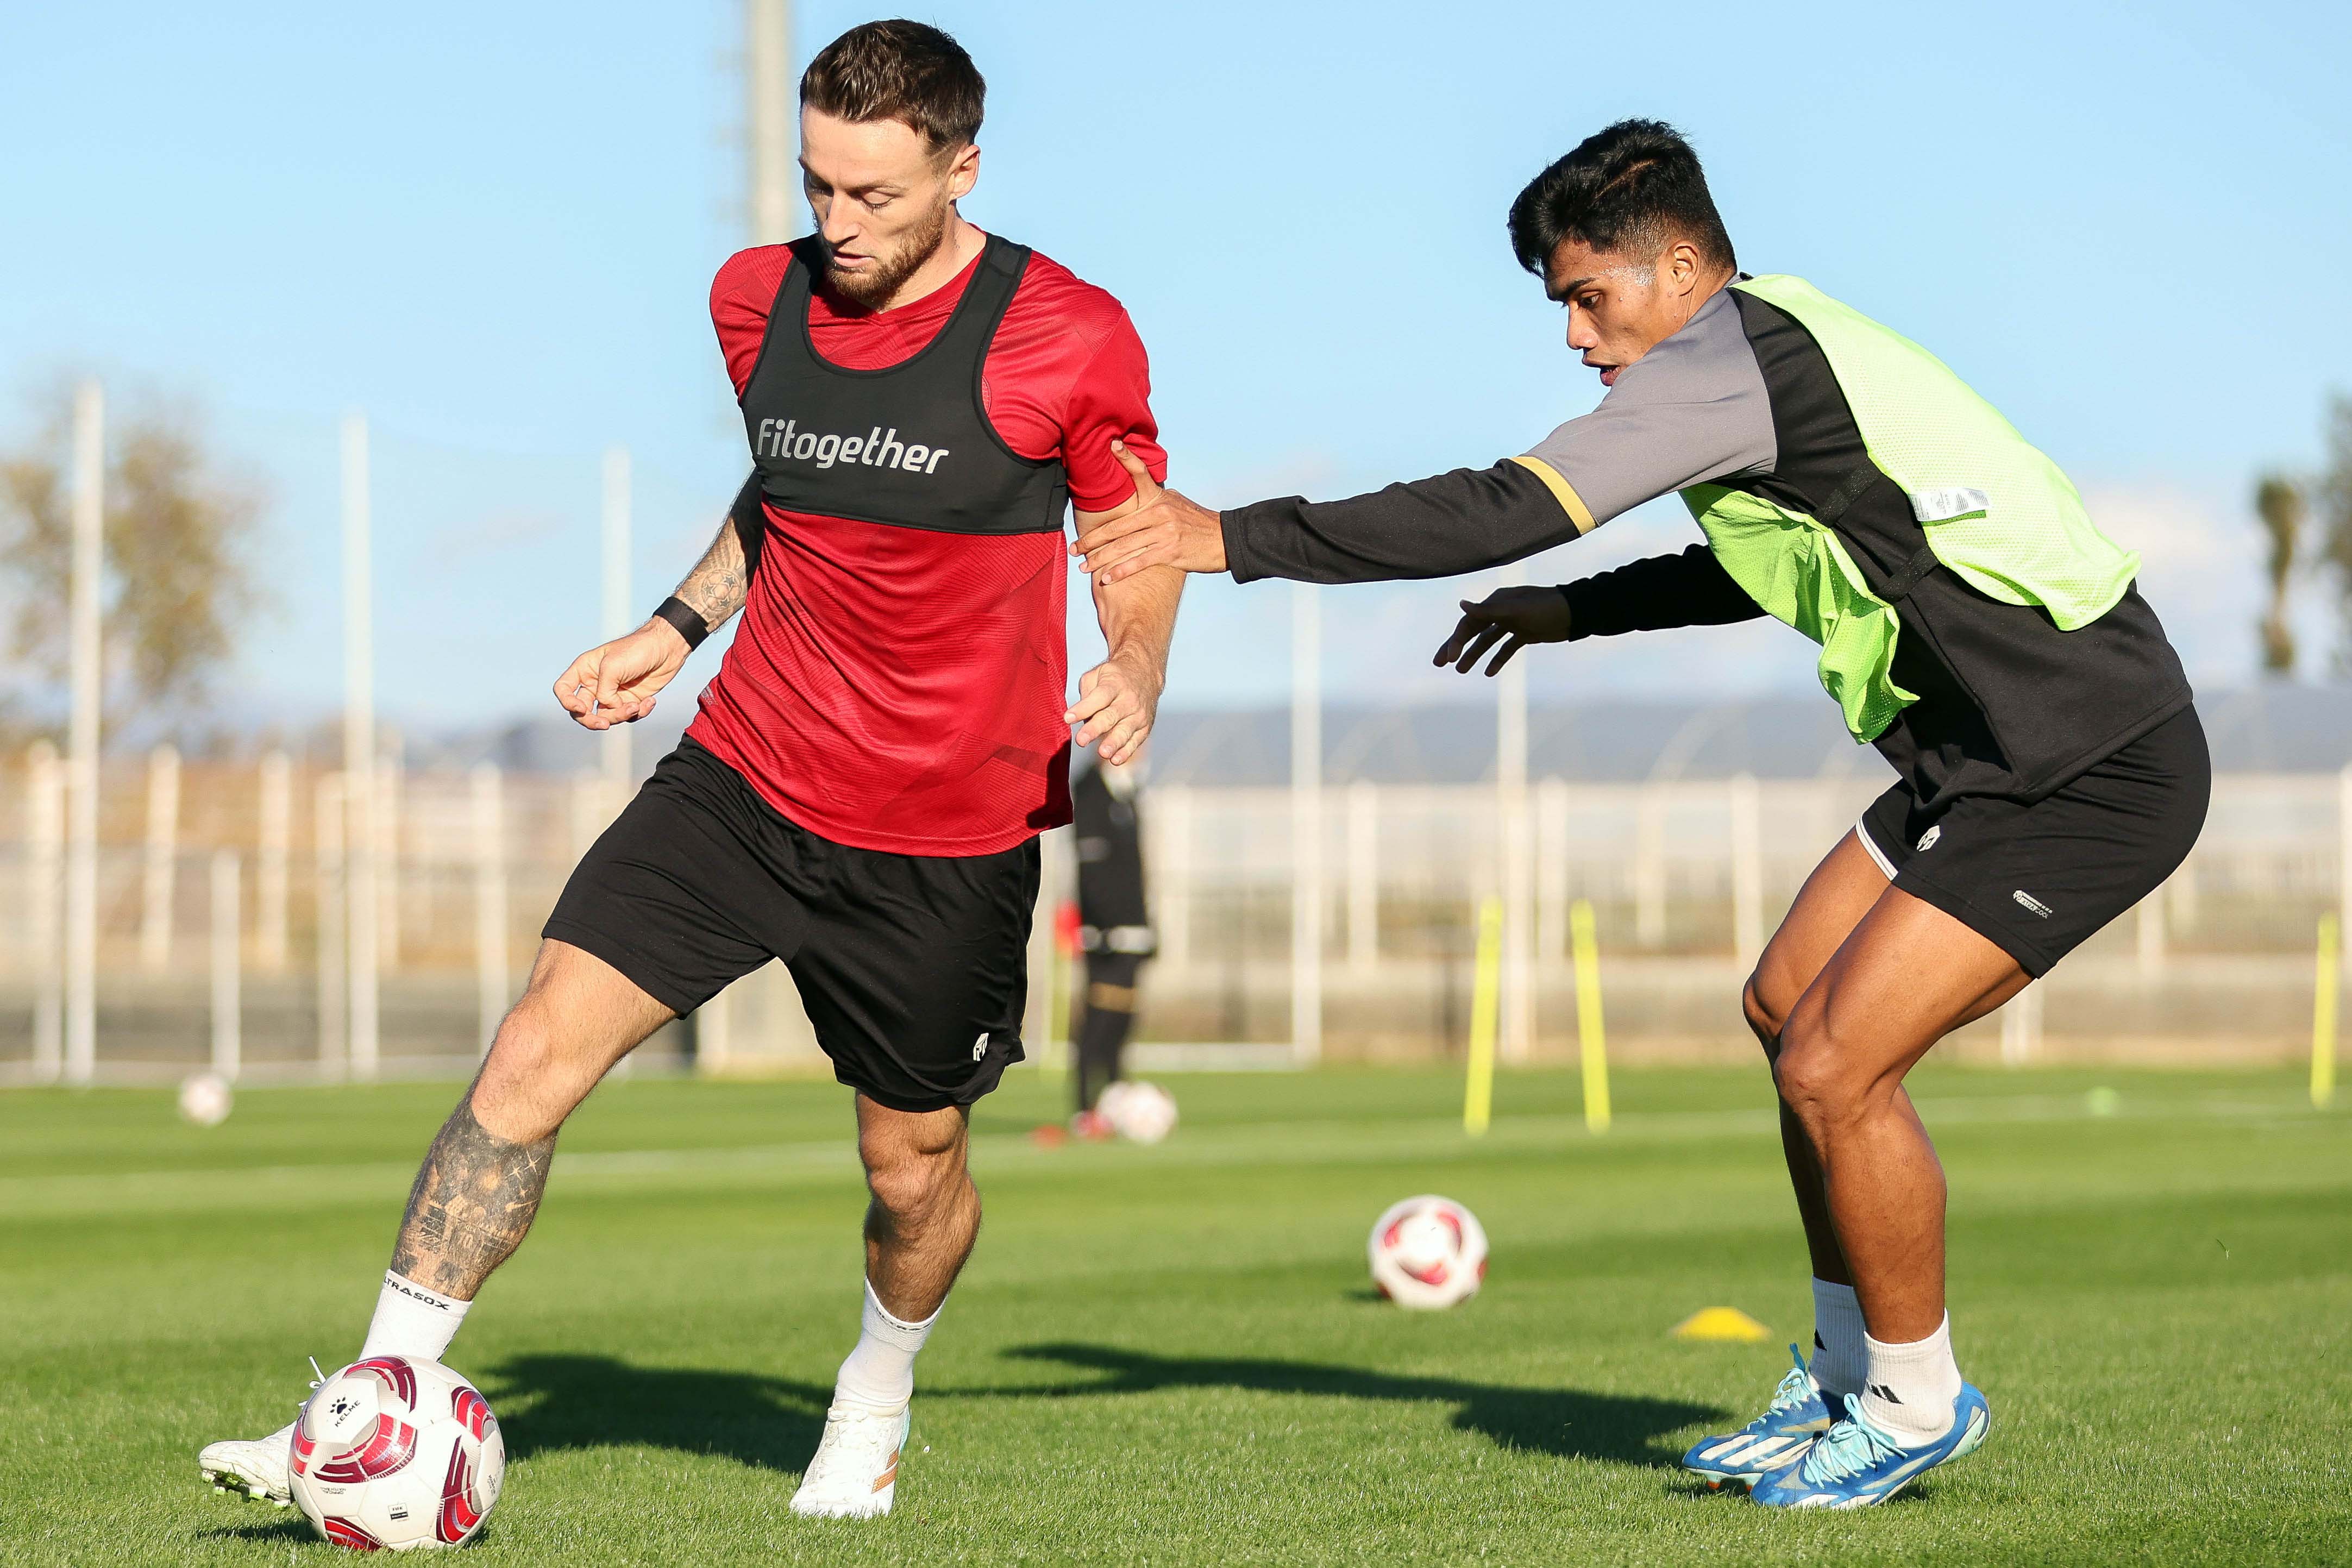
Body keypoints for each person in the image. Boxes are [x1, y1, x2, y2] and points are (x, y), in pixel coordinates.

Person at [1069, 120, 2206, 1508]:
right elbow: (1757, 561)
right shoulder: (1771, 353)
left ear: (1677, 269)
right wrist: (1574, 613)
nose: (1572, 332)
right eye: (1558, 304)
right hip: (1980, 760)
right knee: (1787, 1004)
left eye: (1584, 296)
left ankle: (1916, 1397)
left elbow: (1508, 504)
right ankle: (1846, 1374)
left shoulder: (1721, 363)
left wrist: (1227, 537)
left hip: (2089, 759)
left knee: (1836, 1066)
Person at [199, 20, 1183, 1523]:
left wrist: (1132, 663)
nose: (837, 226)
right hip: (744, 770)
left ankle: (875, 1387)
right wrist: (679, 621)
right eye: (817, 188)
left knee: (912, 1169)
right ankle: (365, 1407)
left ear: (963, 169)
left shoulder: (1068, 333)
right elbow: (791, 477)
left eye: (874, 196)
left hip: (943, 829)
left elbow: (1130, 528)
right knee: (531, 1052)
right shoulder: (754, 298)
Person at [1069, 752, 1155, 1133]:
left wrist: (1146, 929)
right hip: (1106, 937)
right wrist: (1104, 928)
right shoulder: (1092, 794)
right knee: (1099, 1023)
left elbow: (1134, 873)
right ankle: (1085, 1109)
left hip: (1132, 934)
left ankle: (1116, 1101)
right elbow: (1093, 874)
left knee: (1123, 1024)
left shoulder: (1127, 796)